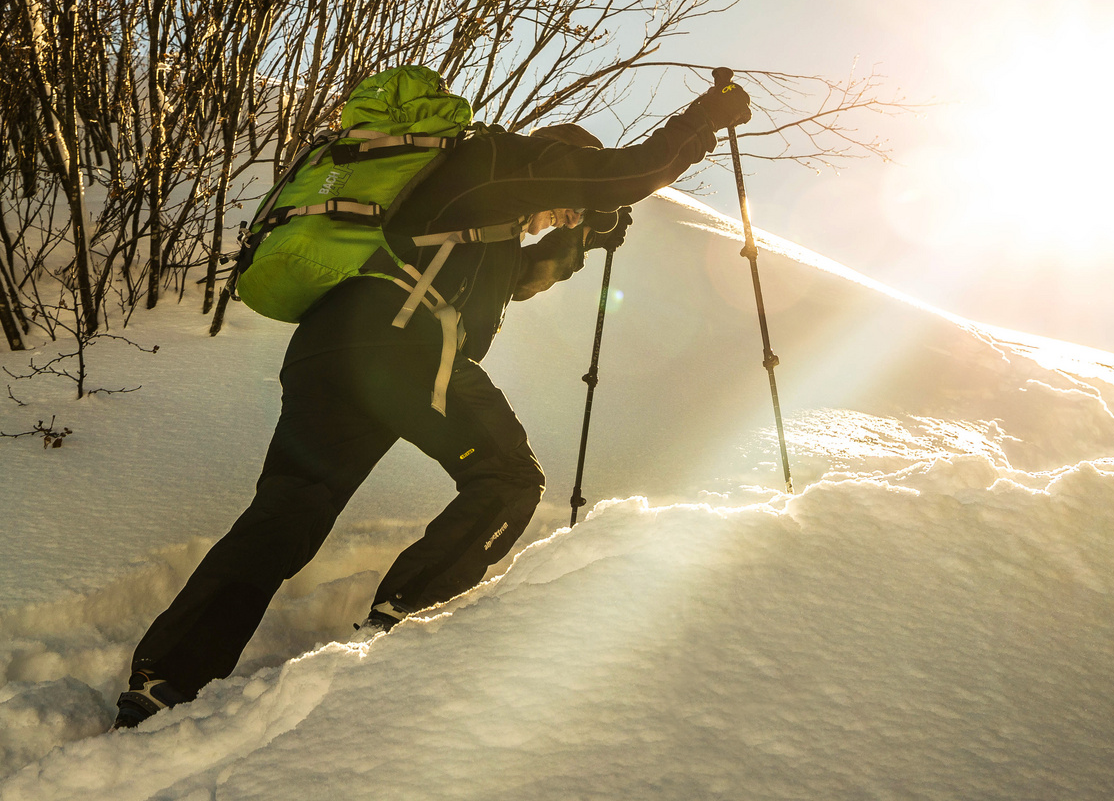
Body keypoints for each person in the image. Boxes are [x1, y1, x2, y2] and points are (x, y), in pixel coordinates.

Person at [113, 75, 753, 729]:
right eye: (563, 204)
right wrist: (701, 122)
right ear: (557, 165)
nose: (560, 215)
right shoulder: (505, 160)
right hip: (403, 339)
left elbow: (517, 278)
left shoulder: (469, 208)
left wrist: (577, 243)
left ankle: (165, 677)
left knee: (289, 510)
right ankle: (395, 628)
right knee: (507, 478)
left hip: (329, 346)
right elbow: (625, 174)